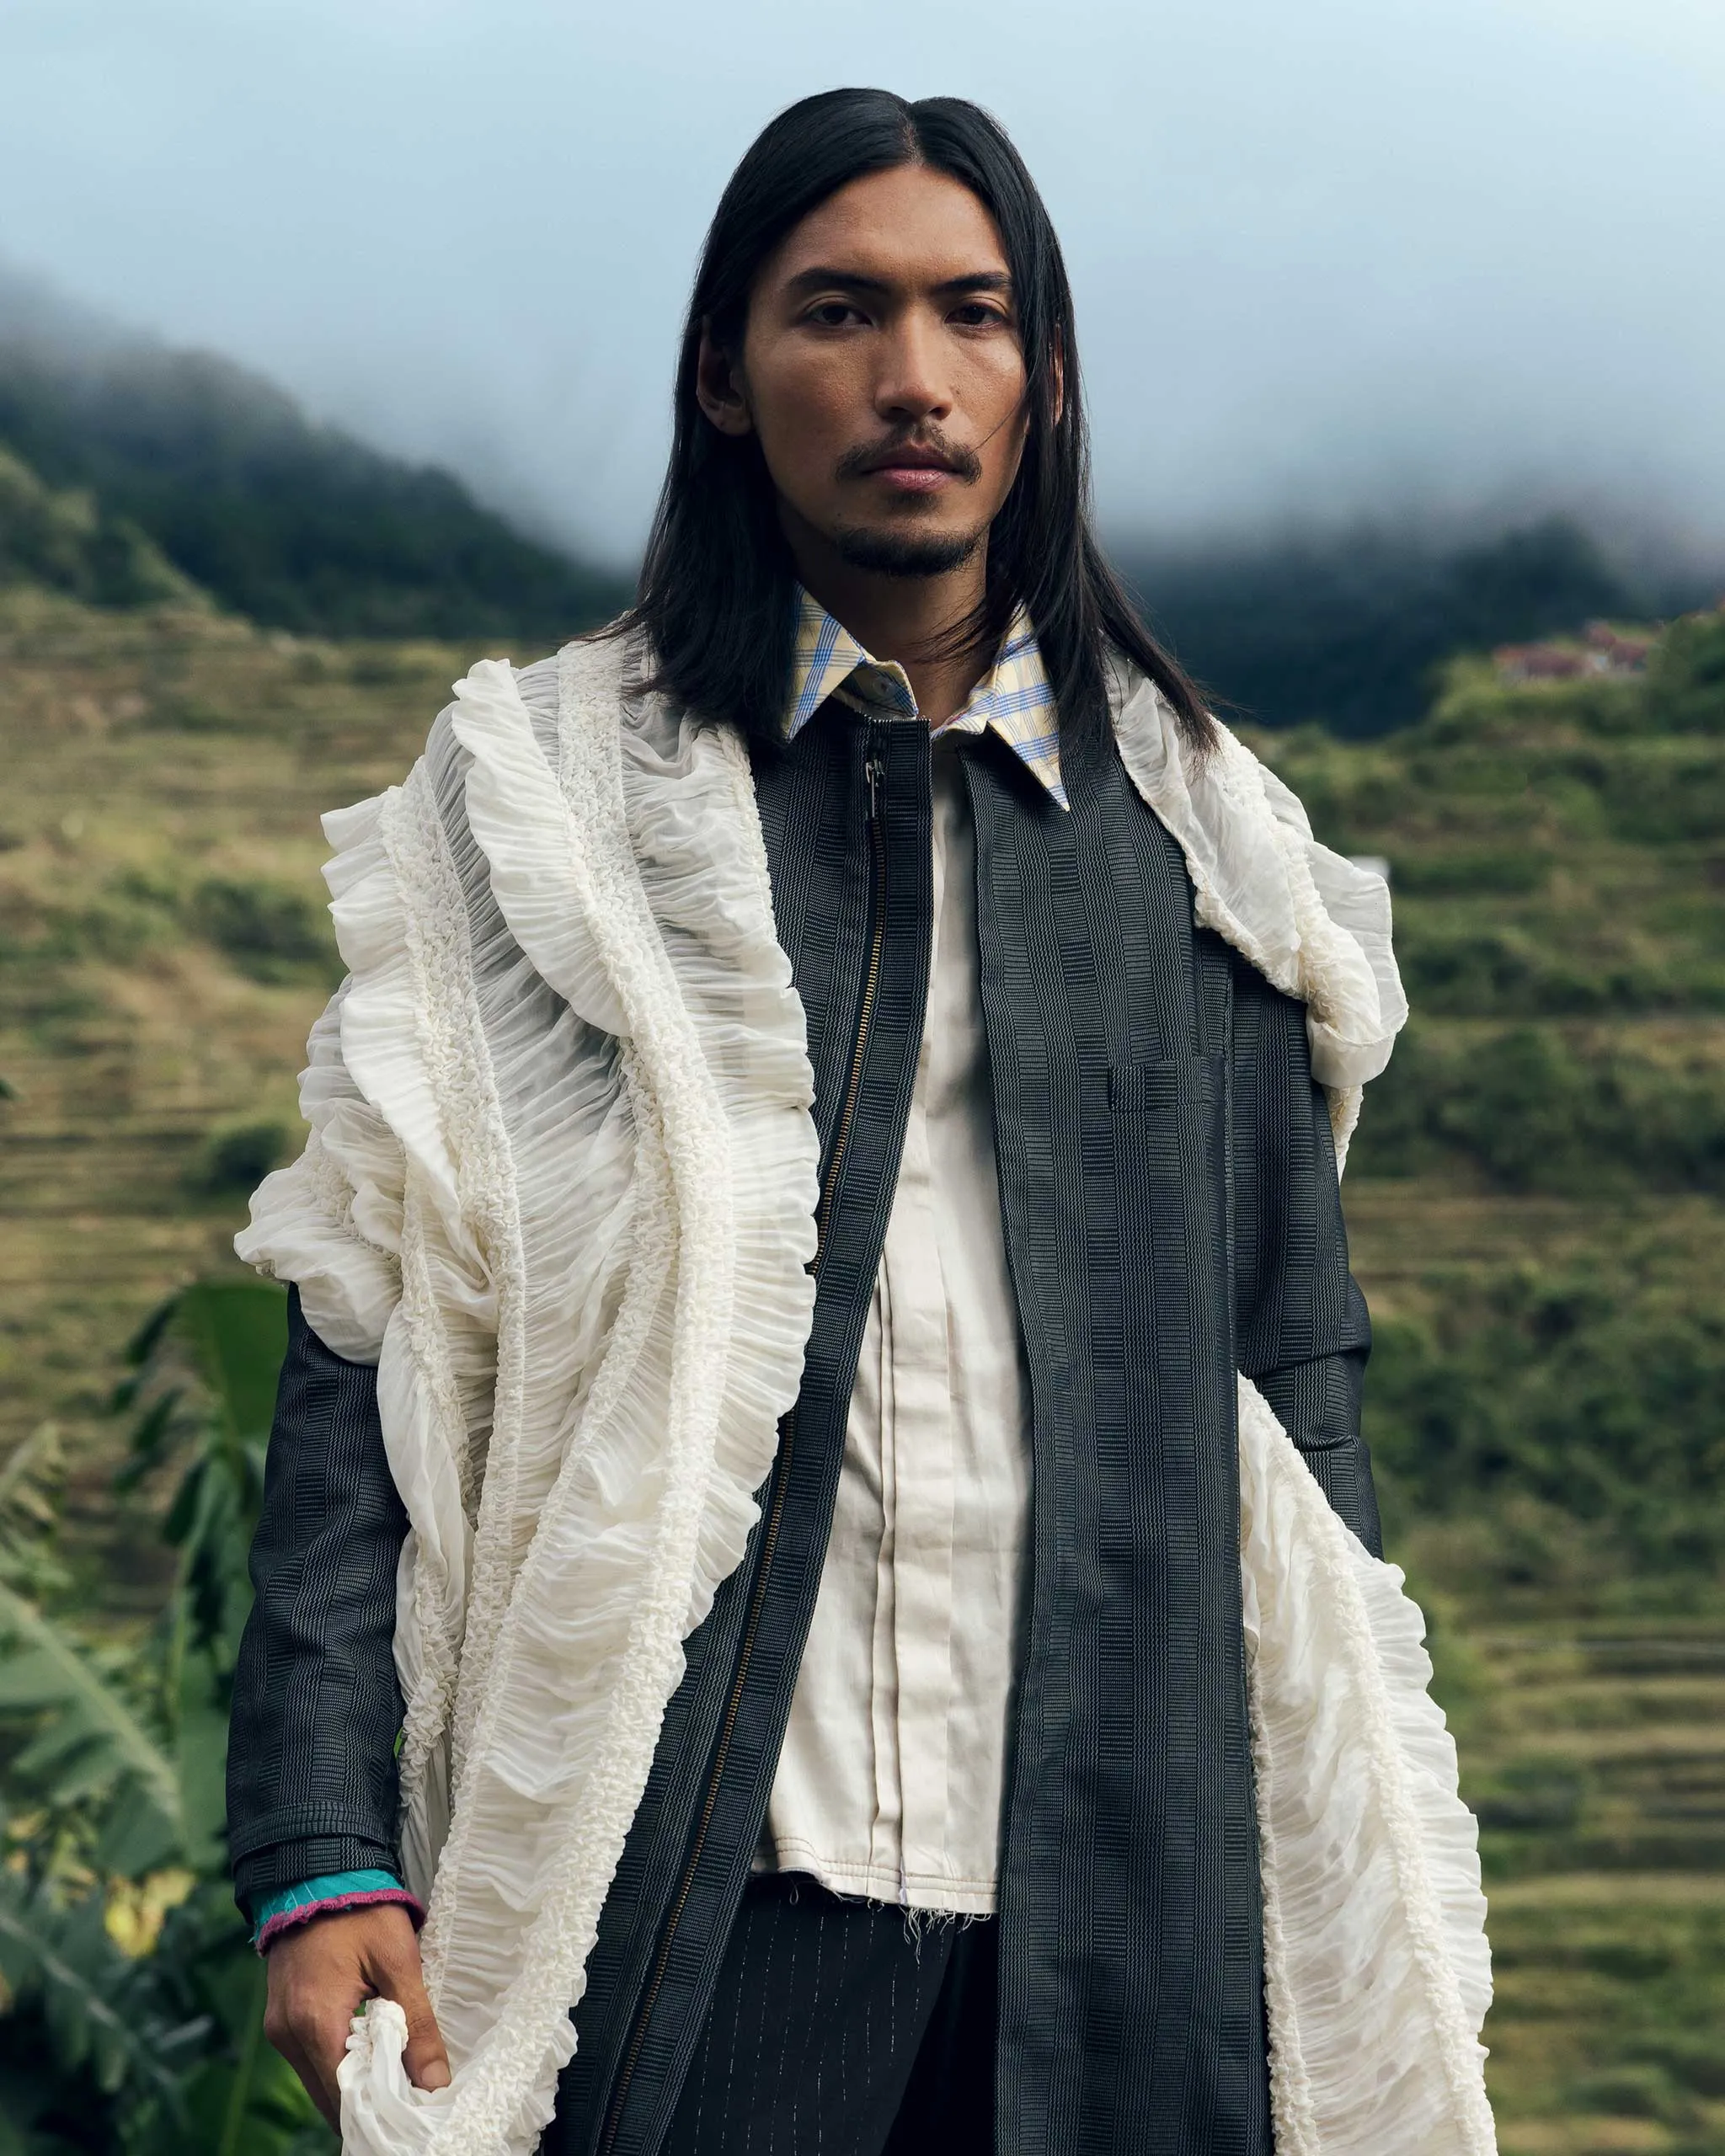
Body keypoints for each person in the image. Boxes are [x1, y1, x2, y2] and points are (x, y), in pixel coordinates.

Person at [229, 88, 1493, 2156]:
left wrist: (1352, 1910)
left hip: (1122, 1918)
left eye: (969, 314)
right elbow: (374, 1330)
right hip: (705, 1895)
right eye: (839, 311)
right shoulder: (554, 809)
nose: (912, 375)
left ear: (1042, 379)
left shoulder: (1202, 843)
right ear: (723, 376)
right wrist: (319, 1844)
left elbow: (1298, 1391)